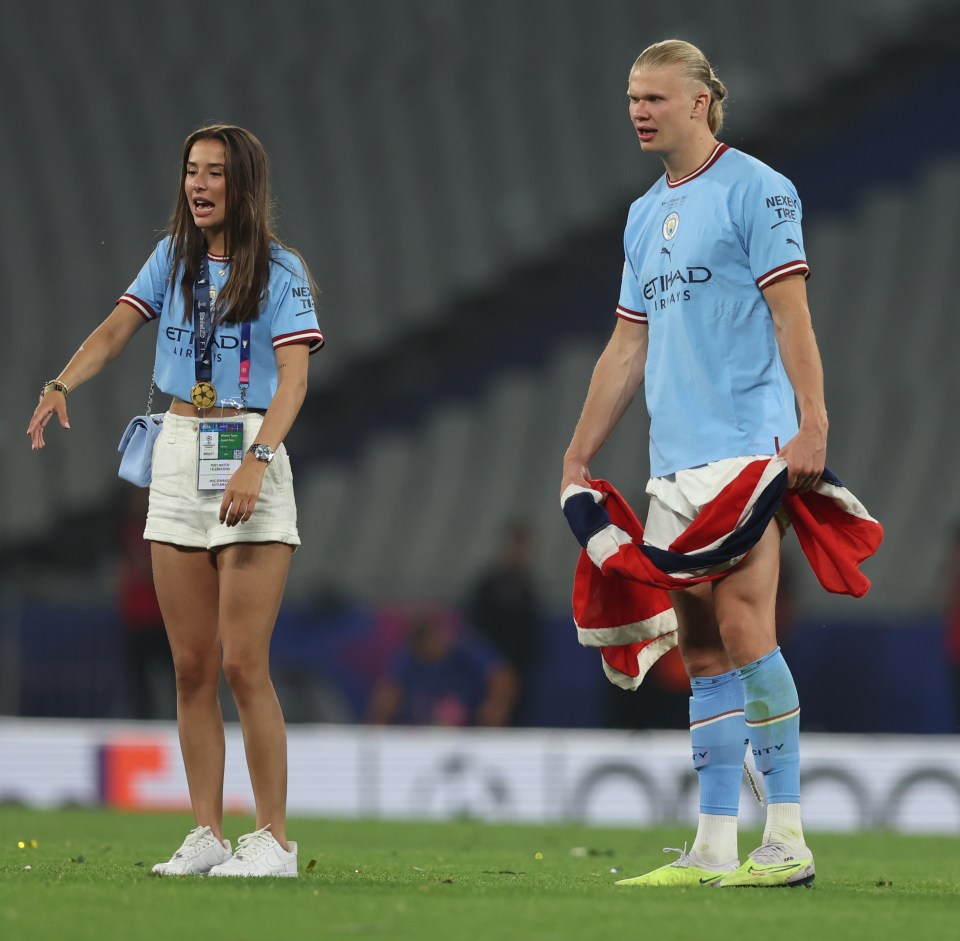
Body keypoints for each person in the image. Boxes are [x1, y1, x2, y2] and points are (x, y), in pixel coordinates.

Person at [561, 40, 827, 888]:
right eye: (632, 97)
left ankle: (785, 837)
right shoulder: (644, 214)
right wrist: (578, 448)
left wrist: (812, 423)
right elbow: (625, 345)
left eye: (654, 97)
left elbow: (792, 316)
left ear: (701, 102)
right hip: (671, 459)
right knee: (703, 648)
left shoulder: (759, 188)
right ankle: (714, 844)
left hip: (748, 446)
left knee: (749, 628)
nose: (639, 110)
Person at [28, 124, 324, 878]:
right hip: (176, 448)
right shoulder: (172, 259)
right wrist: (63, 380)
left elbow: (293, 379)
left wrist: (259, 459)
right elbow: (117, 329)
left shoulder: (280, 269)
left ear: (243, 183)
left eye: (214, 173)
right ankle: (206, 832)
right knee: (190, 665)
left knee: (243, 663)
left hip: (247, 447)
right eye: (191, 171)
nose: (198, 185)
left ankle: (274, 840)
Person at [366, 611, 518, 727]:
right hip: (421, 734)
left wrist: (495, 705)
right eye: (421, 643)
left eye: (432, 638)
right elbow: (387, 693)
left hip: (469, 732)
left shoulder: (466, 649)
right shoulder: (408, 658)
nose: (429, 647)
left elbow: (502, 676)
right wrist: (377, 723)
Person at [464, 520, 542, 725]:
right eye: (516, 546)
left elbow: (534, 636)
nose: (520, 553)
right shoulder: (488, 586)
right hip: (485, 674)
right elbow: (474, 630)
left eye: (524, 547)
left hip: (520, 674)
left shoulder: (528, 591)